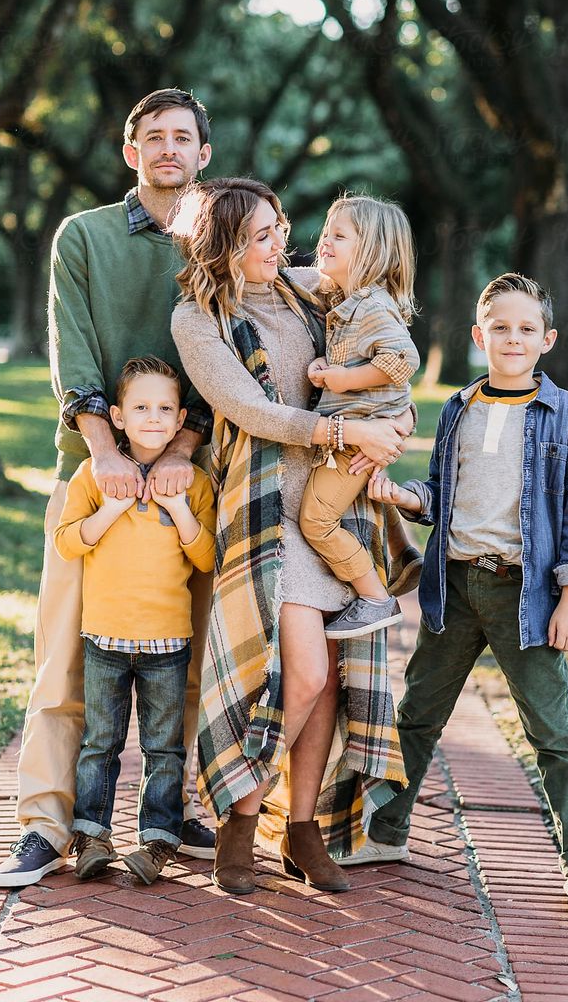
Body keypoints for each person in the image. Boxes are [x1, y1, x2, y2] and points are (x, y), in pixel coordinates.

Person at [0, 89, 216, 888]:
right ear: (131, 153)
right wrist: (104, 450)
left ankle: (172, 809)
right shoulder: (81, 236)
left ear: (202, 156)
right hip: (91, 474)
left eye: (181, 137)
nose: (167, 149)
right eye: (152, 137)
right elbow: (73, 347)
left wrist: (184, 447)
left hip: (189, 480)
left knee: (186, 658)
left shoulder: (215, 245)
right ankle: (47, 825)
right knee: (65, 659)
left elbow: (219, 356)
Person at [170, 177, 409, 897]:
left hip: (341, 508)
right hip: (272, 514)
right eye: (262, 237)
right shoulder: (198, 318)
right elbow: (246, 409)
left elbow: (382, 330)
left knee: (333, 678)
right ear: (223, 248)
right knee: (299, 673)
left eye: (281, 228)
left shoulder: (309, 291)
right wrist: (345, 428)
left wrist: (397, 420)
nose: (283, 246)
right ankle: (242, 817)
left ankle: (302, 831)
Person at [345, 272, 568, 914]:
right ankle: (387, 831)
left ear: (547, 339)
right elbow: (442, 492)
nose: (512, 339)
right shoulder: (460, 407)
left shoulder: (566, 414)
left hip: (526, 595)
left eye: (525, 330)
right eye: (499, 328)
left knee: (554, 732)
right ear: (478, 335)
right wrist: (407, 498)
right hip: (455, 587)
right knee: (417, 714)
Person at [54, 357, 215, 885]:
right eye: (141, 407)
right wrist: (112, 510)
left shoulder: (192, 481)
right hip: (104, 637)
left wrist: (180, 508)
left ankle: (158, 842)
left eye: (165, 408)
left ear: (181, 419)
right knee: (101, 742)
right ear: (117, 418)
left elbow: (207, 558)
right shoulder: (94, 475)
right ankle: (93, 838)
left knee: (163, 748)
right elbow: (67, 540)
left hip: (168, 643)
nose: (153, 417)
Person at [300, 195, 421, 639]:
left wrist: (342, 382)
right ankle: (404, 554)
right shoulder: (346, 300)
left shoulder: (370, 307)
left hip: (356, 434)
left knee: (316, 520)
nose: (324, 241)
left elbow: (403, 359)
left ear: (370, 252)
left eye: (339, 235)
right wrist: (329, 372)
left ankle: (375, 596)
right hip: (362, 424)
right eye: (326, 231)